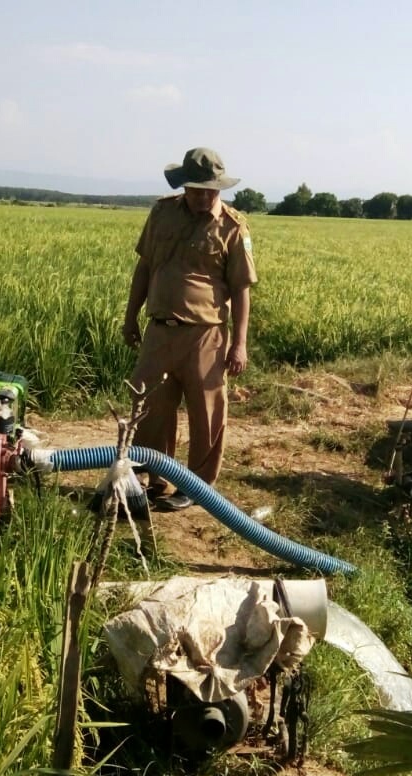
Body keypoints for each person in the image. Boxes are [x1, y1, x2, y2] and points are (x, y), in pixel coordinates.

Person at [121, 147, 257, 511]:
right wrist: (130, 316)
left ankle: (197, 487)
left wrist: (240, 344)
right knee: (149, 406)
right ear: (183, 187)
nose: (203, 196)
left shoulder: (232, 226)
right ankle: (154, 477)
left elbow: (242, 290)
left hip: (206, 336)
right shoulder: (162, 213)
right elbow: (145, 267)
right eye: (196, 189)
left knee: (208, 412)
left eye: (210, 190)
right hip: (160, 331)